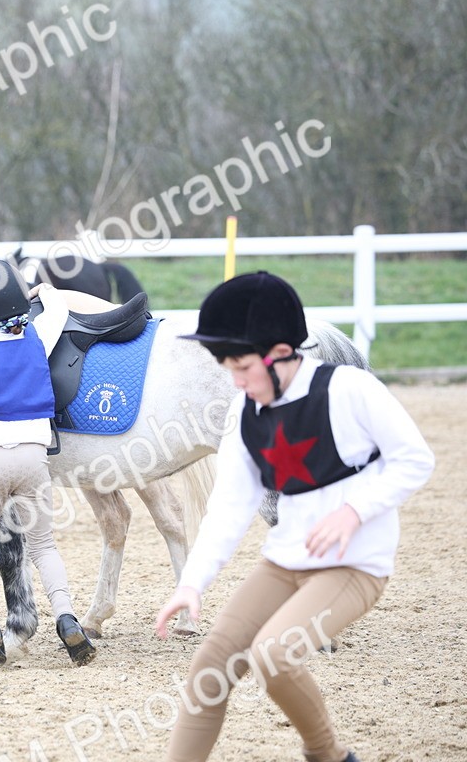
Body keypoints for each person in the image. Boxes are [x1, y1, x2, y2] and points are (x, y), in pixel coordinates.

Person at [153, 271, 435, 762]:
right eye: (228, 368)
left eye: (242, 366)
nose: (235, 381)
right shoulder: (245, 410)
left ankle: (328, 755)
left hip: (354, 564)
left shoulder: (348, 389)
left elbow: (415, 458)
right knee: (209, 669)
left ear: (281, 352)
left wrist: (354, 511)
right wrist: (191, 584)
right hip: (284, 563)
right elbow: (230, 505)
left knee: (274, 654)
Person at [0, 259, 96, 667]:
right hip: (34, 454)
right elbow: (58, 310)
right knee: (43, 544)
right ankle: (67, 618)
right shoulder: (37, 339)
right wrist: (41, 292)